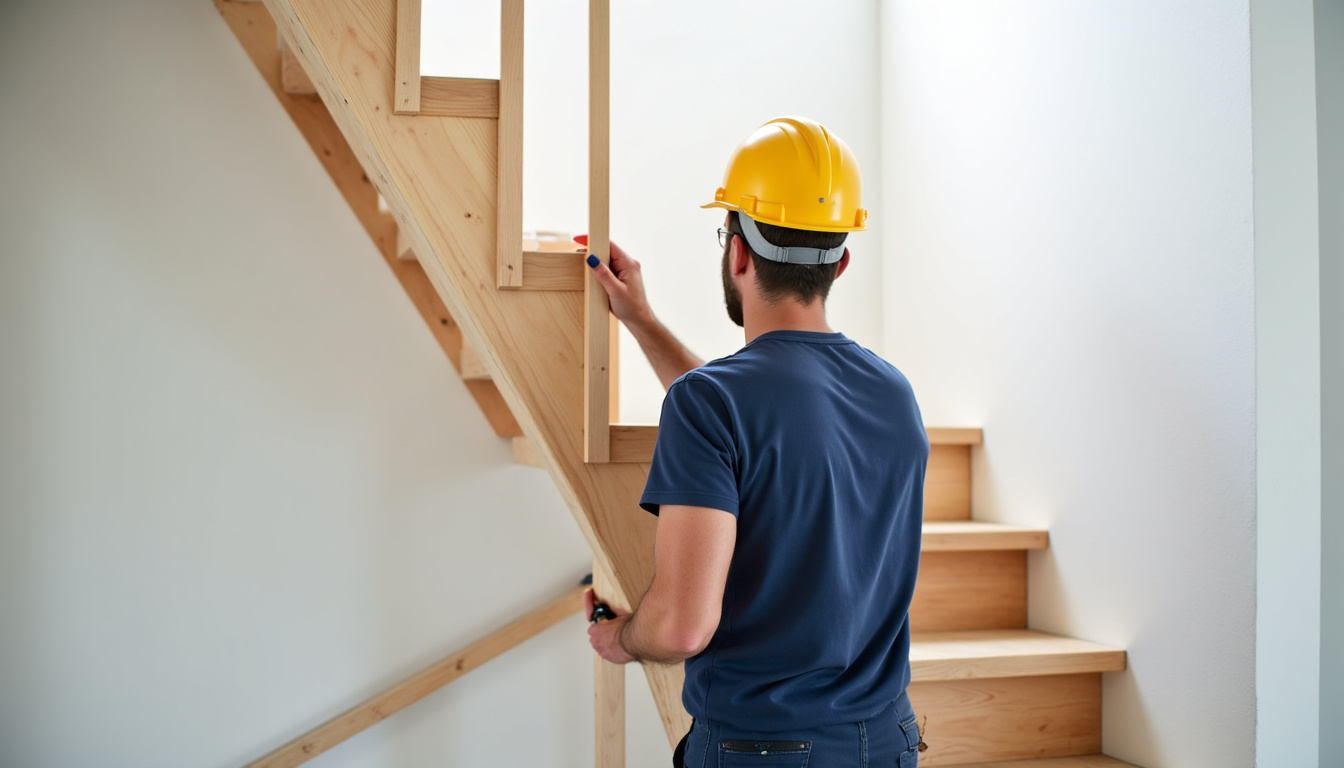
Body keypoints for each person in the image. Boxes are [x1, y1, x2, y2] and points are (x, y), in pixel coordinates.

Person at [582, 116, 928, 768]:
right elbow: (760, 420)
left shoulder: (712, 404)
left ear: (737, 254)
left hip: (768, 749)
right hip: (888, 740)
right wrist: (643, 322)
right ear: (840, 263)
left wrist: (622, 638)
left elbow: (682, 626)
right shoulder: (894, 393)